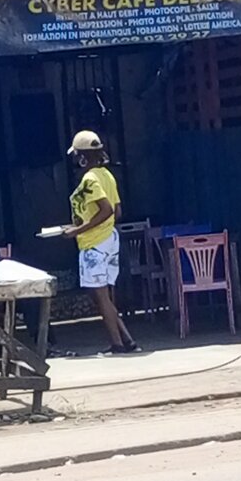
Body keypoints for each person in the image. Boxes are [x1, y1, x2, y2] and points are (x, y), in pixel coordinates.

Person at [64, 130, 140, 355]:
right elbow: (117, 210)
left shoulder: (90, 179)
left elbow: (106, 209)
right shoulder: (107, 175)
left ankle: (117, 344)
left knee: (100, 296)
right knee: (105, 295)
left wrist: (78, 229)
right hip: (109, 240)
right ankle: (127, 340)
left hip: (93, 244)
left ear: (82, 157)